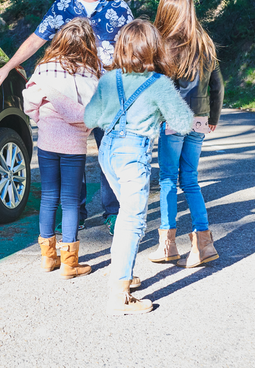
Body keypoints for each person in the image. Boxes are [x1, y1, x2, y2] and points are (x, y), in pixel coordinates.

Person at [0, 0, 134, 234]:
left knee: (110, 153)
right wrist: (7, 67)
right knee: (72, 155)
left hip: (108, 95)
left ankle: (113, 211)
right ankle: (74, 212)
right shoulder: (62, 7)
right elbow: (36, 39)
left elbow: (132, 46)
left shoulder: (118, 6)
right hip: (73, 95)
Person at [84, 19, 193, 315]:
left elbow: (90, 117)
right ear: (153, 49)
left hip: (107, 150)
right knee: (133, 220)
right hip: (133, 153)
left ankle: (123, 272)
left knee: (125, 215)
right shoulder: (158, 83)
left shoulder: (109, 79)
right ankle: (119, 296)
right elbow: (182, 122)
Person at [148, 0, 224, 268]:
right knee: (190, 179)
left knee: (168, 179)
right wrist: (212, 116)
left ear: (166, 13)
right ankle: (203, 243)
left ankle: (167, 245)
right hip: (200, 119)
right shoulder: (204, 42)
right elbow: (217, 84)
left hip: (175, 119)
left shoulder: (164, 45)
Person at [23, 18, 100, 279]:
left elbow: (30, 102)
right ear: (88, 45)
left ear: (59, 41)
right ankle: (69, 263)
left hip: (47, 142)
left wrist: (42, 120)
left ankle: (48, 257)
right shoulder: (90, 73)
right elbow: (94, 112)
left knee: (48, 197)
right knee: (70, 202)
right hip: (74, 144)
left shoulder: (44, 69)